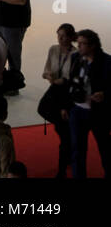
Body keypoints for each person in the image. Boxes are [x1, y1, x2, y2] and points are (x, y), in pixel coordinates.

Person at [66, 28, 111, 179]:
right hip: (77, 111)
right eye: (78, 43)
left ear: (93, 45)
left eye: (82, 44)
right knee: (77, 150)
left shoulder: (107, 62)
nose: (78, 47)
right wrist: (66, 106)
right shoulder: (75, 58)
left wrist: (105, 94)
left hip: (98, 113)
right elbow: (70, 82)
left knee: (105, 148)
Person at [38, 23, 77, 177]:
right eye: (58, 35)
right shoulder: (53, 50)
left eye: (63, 36)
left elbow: (73, 80)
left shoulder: (76, 55)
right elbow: (46, 70)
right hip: (55, 91)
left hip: (67, 94)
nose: (60, 39)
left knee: (64, 134)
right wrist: (49, 77)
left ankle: (62, 170)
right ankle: (64, 132)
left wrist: (62, 81)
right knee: (44, 110)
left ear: (70, 37)